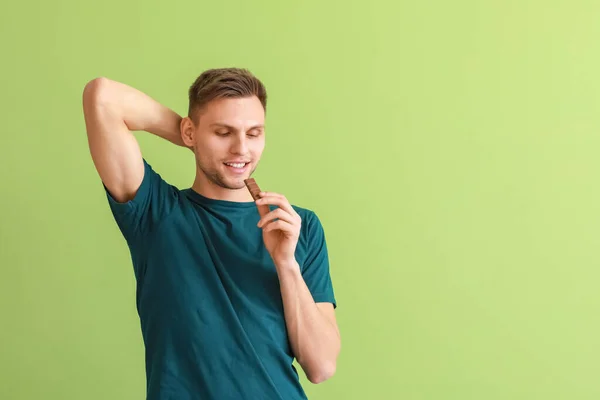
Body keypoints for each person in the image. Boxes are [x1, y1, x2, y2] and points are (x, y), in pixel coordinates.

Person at [82, 68, 341, 400]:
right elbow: (103, 96)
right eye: (223, 132)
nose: (241, 149)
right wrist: (193, 137)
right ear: (190, 132)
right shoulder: (156, 213)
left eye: (254, 133)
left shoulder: (298, 226)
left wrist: (286, 263)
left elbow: (321, 367)